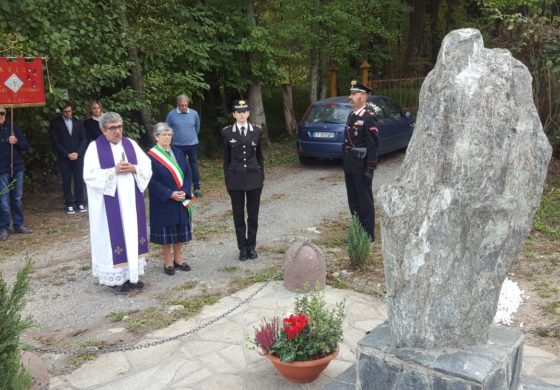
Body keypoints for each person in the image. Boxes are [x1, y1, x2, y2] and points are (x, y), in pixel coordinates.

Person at [83, 112, 152, 294]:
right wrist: (113, 171)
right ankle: (114, 279)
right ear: (103, 130)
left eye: (120, 126)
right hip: (108, 205)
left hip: (130, 202)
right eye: (112, 128)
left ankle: (132, 275)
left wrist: (134, 168)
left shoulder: (130, 144)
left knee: (132, 233)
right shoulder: (94, 148)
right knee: (111, 238)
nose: (117, 131)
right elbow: (89, 175)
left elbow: (147, 166)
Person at [147, 123, 193, 275]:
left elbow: (188, 173)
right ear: (156, 137)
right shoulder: (150, 156)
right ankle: (168, 262)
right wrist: (169, 193)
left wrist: (185, 191)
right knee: (167, 233)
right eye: (164, 135)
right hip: (163, 200)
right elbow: (151, 181)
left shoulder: (178, 153)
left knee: (179, 230)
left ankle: (179, 259)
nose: (167, 137)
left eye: (169, 135)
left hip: (180, 198)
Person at [222, 100, 264, 261]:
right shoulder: (227, 133)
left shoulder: (257, 131)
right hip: (235, 180)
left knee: (253, 216)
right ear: (234, 114)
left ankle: (251, 247)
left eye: (244, 112)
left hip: (254, 179)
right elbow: (226, 160)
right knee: (238, 216)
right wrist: (228, 179)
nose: (241, 115)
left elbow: (260, 157)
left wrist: (261, 176)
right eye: (238, 112)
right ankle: (242, 248)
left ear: (248, 113)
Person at [342, 80, 379, 241]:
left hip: (362, 166)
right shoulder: (352, 115)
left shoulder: (368, 117)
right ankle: (358, 232)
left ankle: (368, 235)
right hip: (350, 165)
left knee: (365, 202)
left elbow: (373, 145)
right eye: (351, 94)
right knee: (353, 202)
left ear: (363, 97)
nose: (350, 97)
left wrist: (370, 167)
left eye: (354, 94)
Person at [50, 101, 88, 214]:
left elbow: (84, 139)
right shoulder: (55, 123)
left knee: (78, 179)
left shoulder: (78, 122)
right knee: (66, 180)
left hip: (78, 156)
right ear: (62, 112)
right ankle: (69, 203)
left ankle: (80, 202)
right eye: (66, 112)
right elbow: (55, 141)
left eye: (70, 111)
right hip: (64, 156)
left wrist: (78, 153)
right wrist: (66, 154)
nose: (68, 113)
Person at [0, 107, 32, 241]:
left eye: (2, 113)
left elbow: (26, 146)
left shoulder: (13, 128)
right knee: (4, 200)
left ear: (6, 115)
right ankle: (4, 228)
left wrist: (17, 141)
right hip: (1, 170)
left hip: (17, 167)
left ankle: (19, 224)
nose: (0, 116)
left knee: (17, 198)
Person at [166, 94, 202, 198]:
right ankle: (183, 188)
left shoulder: (194, 114)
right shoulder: (171, 115)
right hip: (177, 146)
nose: (184, 107)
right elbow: (167, 129)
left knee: (194, 166)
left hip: (192, 144)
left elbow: (197, 127)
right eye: (182, 105)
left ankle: (197, 188)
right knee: (180, 167)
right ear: (178, 105)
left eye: (186, 105)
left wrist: (191, 137)